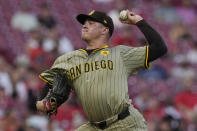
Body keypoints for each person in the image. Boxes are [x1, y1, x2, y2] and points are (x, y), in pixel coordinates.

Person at [36, 10, 167, 130]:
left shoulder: (120, 53)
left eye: (91, 23)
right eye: (84, 23)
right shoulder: (67, 60)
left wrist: (139, 21)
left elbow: (159, 48)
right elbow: (50, 85)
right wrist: (40, 103)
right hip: (94, 126)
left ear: (105, 30)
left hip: (125, 123)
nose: (84, 25)